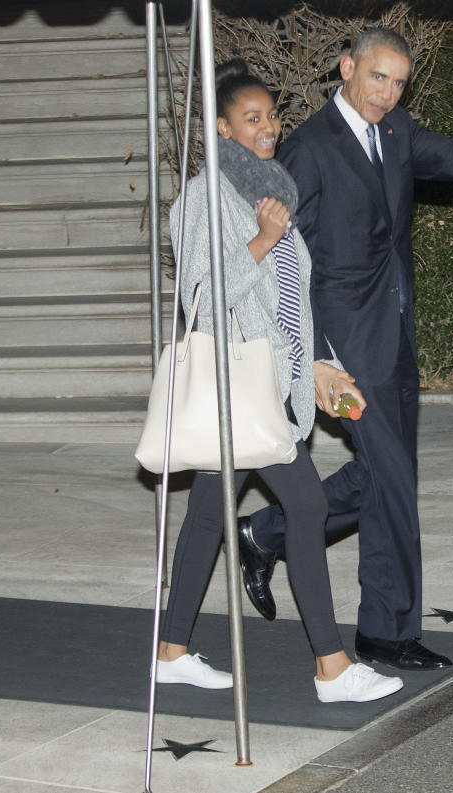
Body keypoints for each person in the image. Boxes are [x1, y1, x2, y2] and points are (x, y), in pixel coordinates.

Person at [237, 29, 453, 671]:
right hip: (342, 346)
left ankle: (268, 533)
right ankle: (386, 630)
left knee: (386, 477)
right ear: (347, 68)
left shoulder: (395, 133)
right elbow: (286, 260)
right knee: (392, 479)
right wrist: (314, 356)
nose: (387, 94)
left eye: (398, 83)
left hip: (396, 332)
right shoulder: (308, 150)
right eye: (376, 78)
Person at [155, 58, 403, 704]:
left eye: (272, 116)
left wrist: (315, 363)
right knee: (310, 504)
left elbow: (290, 296)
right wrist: (264, 240)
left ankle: (171, 650)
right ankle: (331, 666)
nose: (269, 128)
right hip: (242, 390)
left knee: (209, 512)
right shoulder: (201, 201)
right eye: (253, 119)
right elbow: (203, 299)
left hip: (278, 381)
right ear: (222, 127)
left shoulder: (270, 191)